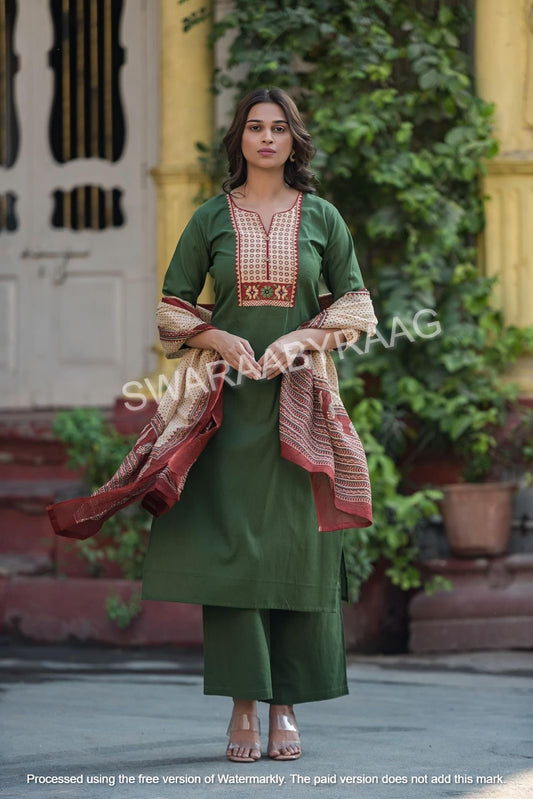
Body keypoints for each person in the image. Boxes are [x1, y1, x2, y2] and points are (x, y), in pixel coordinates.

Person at [139, 87, 377, 763]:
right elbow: (172, 307)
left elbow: (355, 307)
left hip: (301, 404)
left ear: (293, 140)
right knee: (235, 553)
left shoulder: (322, 217)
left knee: (297, 548)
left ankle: (286, 704)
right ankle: (244, 702)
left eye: (278, 128)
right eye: (254, 127)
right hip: (225, 409)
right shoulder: (211, 218)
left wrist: (299, 340)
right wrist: (216, 338)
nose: (266, 138)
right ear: (238, 139)